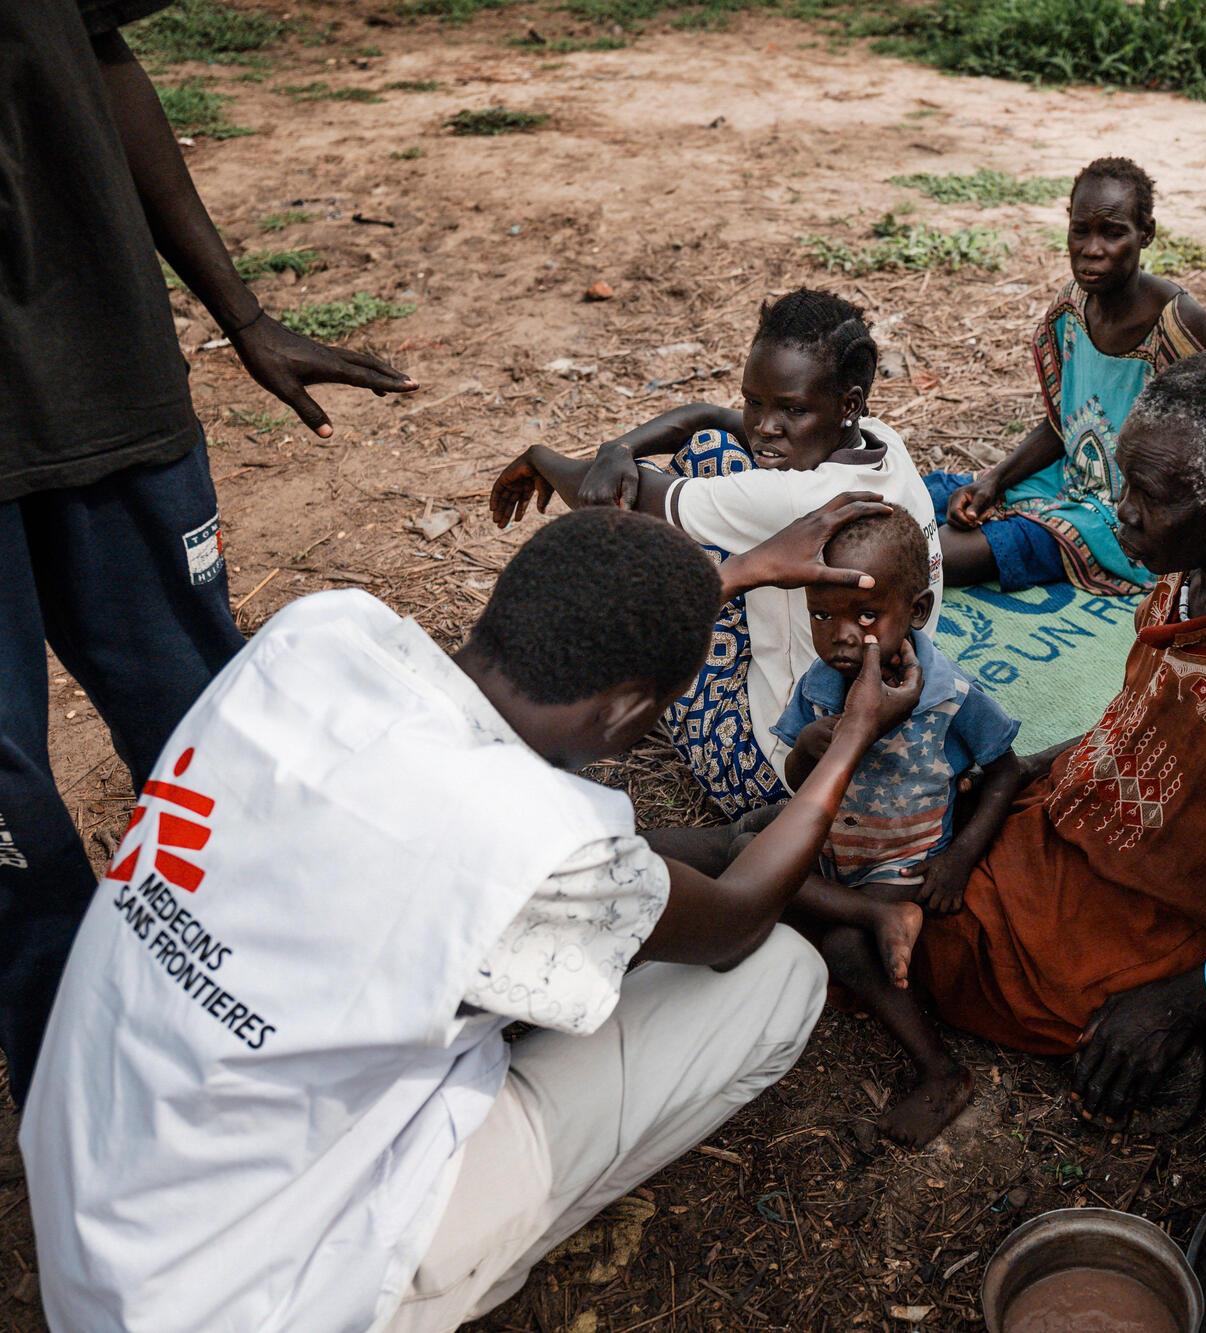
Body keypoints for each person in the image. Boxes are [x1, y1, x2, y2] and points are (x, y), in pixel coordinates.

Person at [22, 500, 917, 1332]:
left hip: (95, 1208)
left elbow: (550, 669)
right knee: (782, 977)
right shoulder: (536, 841)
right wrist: (850, 739)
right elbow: (739, 917)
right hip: (257, 1297)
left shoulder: (318, 634)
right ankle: (461, 1269)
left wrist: (728, 574)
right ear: (629, 713)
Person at [830, 351, 1206, 1144]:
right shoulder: (1189, 570)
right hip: (1058, 839)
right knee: (840, 847)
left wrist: (1192, 997)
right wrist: (1020, 771)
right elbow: (1148, 720)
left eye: (1151, 495)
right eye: (1125, 480)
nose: (1122, 512)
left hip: (1137, 930)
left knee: (849, 924)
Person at [0, 0, 417, 1103]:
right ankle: (80, 1118)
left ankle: (284, 1050)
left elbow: (97, 49)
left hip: (103, 383)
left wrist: (241, 314)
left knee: (207, 738)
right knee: (11, 833)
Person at [490, 289, 941, 820]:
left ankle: (597, 688)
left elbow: (619, 497)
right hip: (862, 698)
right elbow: (708, 416)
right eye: (755, 402)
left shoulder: (793, 498)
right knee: (716, 450)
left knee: (662, 584)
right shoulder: (882, 439)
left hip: (783, 771)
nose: (766, 426)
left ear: (848, 404)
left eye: (791, 409)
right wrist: (619, 449)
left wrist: (542, 456)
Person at [764, 511, 1025, 1140]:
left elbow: (1007, 771)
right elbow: (800, 784)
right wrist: (810, 743)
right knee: (751, 847)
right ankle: (849, 913)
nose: (841, 637)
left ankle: (942, 1072)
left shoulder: (948, 695)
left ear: (916, 609)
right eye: (821, 616)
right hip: (829, 847)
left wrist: (959, 858)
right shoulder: (821, 686)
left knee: (845, 951)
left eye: (865, 615)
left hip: (898, 863)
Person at [926, 157, 1206, 593]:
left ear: (1146, 234)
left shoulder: (1176, 327)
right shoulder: (1071, 308)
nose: (1092, 248)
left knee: (931, 557)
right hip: (1067, 477)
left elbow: (1205, 456)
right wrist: (995, 479)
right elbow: (1065, 424)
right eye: (1081, 230)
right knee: (923, 493)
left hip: (1128, 519)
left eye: (1113, 232)